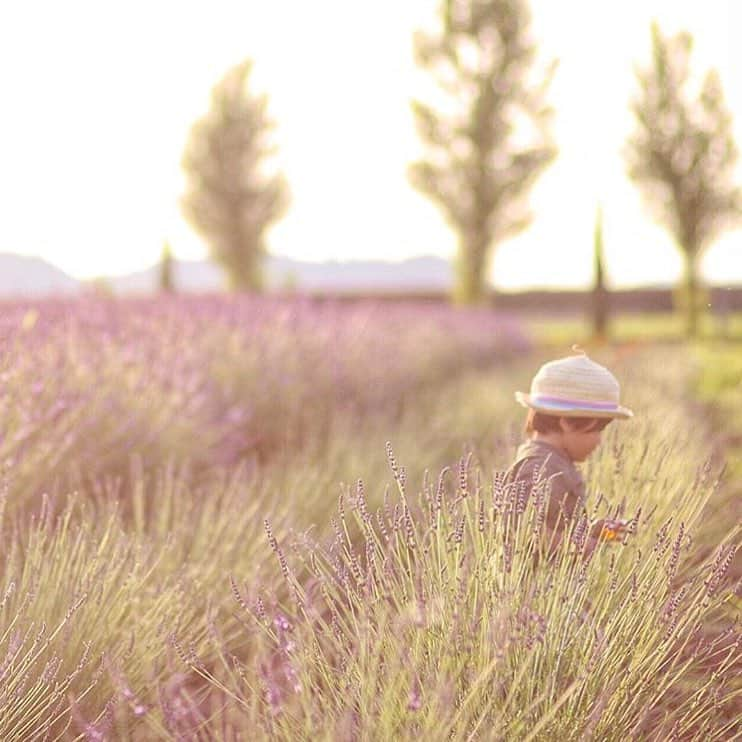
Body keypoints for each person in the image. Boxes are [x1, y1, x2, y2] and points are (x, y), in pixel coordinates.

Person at [505, 346, 634, 557]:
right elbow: (523, 530)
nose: (600, 440)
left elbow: (556, 525)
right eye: (597, 430)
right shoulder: (540, 468)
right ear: (566, 422)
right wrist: (579, 546)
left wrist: (595, 530)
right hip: (529, 586)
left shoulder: (555, 462)